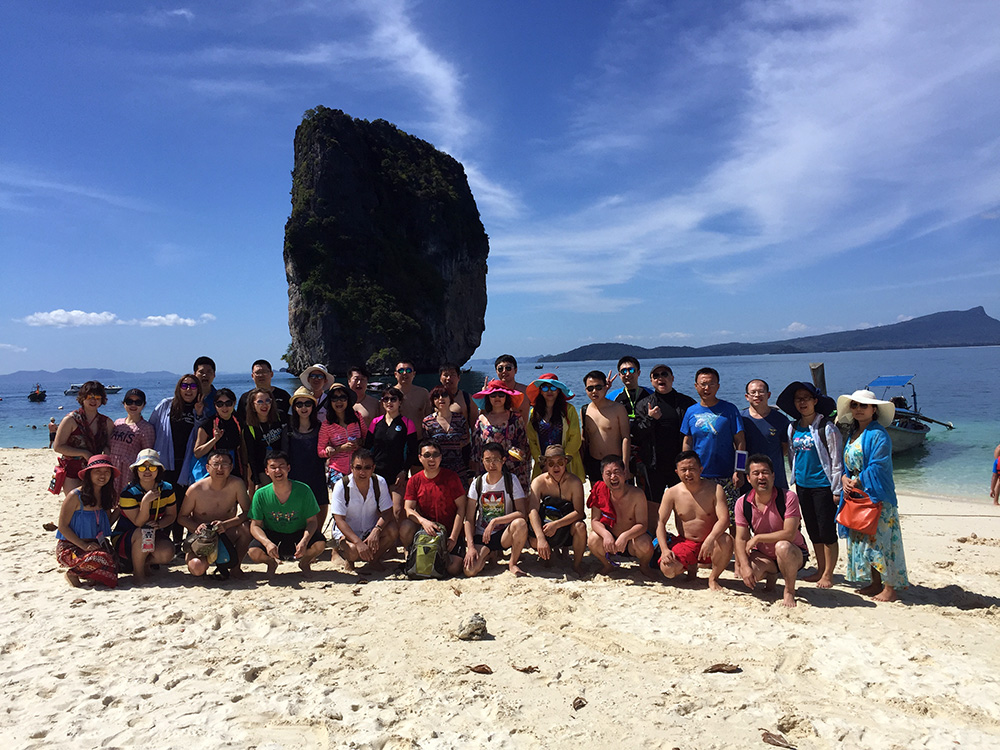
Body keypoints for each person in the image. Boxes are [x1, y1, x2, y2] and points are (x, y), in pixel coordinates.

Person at [836, 389, 909, 602]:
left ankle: (890, 587)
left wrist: (857, 480)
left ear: (873, 409)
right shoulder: (853, 434)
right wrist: (844, 479)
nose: (858, 409)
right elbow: (847, 464)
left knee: (882, 542)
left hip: (877, 496)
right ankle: (875, 583)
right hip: (858, 494)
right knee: (866, 541)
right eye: (855, 405)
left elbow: (879, 465)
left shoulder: (878, 434)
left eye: (863, 406)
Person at [777, 381, 843, 589]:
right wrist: (795, 479)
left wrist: (837, 489)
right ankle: (820, 569)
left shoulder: (827, 428)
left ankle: (829, 574)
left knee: (827, 531)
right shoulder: (793, 428)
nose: (802, 402)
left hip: (823, 486)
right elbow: (793, 456)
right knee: (813, 529)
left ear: (815, 401)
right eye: (798, 399)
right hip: (803, 486)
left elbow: (836, 460)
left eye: (806, 398)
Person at [733, 454, 809, 608]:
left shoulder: (788, 497)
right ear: (748, 478)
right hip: (764, 554)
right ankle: (772, 576)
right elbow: (740, 538)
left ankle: (789, 590)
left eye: (765, 472)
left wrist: (758, 538)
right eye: (756, 473)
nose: (761, 477)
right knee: (749, 573)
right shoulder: (742, 503)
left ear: (773, 476)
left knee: (782, 546)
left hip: (793, 551)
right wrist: (745, 566)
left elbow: (789, 533)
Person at [656, 451, 734, 590]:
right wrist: (664, 550)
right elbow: (660, 522)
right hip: (686, 542)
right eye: (683, 470)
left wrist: (710, 539)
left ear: (700, 469)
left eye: (692, 469)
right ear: (677, 472)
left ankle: (713, 578)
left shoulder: (715, 489)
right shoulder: (672, 493)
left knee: (726, 540)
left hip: (710, 543)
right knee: (667, 569)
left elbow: (724, 519)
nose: (688, 473)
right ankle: (691, 568)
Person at [634, 364, 697, 530]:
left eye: (664, 374)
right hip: (653, 464)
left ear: (672, 378)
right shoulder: (644, 404)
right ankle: (655, 539)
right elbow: (637, 434)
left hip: (680, 463)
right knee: (653, 505)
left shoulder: (686, 403)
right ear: (651, 381)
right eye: (656, 376)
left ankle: (684, 539)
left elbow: (695, 432)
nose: (660, 378)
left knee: (682, 505)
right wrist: (650, 418)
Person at [247, 451, 326, 578]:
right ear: (267, 471)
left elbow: (312, 521)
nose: (278, 470)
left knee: (320, 544)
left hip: (298, 534)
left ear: (288, 468)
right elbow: (255, 525)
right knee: (253, 552)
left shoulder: (304, 490)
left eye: (281, 466)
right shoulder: (260, 494)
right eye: (273, 467)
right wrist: (267, 543)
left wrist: (304, 541)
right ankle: (271, 563)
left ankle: (305, 562)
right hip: (273, 535)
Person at [151, 374, 206, 549]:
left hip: (187, 464)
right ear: (179, 388)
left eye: (193, 386)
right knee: (165, 503)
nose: (188, 389)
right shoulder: (166, 405)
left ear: (198, 389)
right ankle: (162, 541)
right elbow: (152, 428)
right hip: (165, 463)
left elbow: (202, 433)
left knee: (183, 504)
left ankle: (178, 543)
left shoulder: (201, 408)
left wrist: (199, 414)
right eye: (184, 386)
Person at [177, 450, 252, 578]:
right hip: (201, 537)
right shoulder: (196, 489)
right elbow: (181, 518)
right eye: (215, 464)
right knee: (197, 568)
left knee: (247, 527)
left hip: (226, 533)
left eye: (225, 464)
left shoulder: (237, 484)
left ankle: (235, 567)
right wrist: (197, 527)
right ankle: (205, 564)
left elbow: (247, 513)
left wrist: (226, 524)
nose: (220, 468)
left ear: (231, 467)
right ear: (207, 467)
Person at [399, 439, 466, 576]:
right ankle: (409, 553)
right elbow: (408, 509)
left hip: (450, 531)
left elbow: (461, 508)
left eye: (435, 455)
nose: (432, 459)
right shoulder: (414, 480)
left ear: (441, 457)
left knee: (453, 569)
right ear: (420, 458)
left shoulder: (451, 477)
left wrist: (453, 537)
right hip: (426, 532)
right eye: (427, 455)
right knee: (406, 526)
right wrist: (423, 521)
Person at [681, 367, 746, 509]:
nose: (707, 388)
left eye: (711, 384)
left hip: (727, 474)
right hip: (699, 474)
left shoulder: (730, 409)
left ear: (718, 386)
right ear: (696, 386)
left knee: (730, 516)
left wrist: (740, 470)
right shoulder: (691, 411)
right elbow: (687, 441)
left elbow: (740, 441)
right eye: (703, 384)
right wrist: (686, 469)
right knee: (703, 515)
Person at [464, 442, 530, 577]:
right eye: (488, 460)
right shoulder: (477, 483)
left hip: (504, 533)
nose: (492, 464)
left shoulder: (511, 480)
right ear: (482, 461)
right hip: (483, 534)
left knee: (520, 524)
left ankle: (512, 563)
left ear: (503, 460)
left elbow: (521, 513)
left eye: (496, 460)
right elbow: (469, 518)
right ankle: (489, 553)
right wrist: (470, 547)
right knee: (470, 570)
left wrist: (495, 521)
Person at [114, 449, 179, 584]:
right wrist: (145, 502)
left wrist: (159, 525)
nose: (147, 471)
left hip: (153, 532)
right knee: (143, 532)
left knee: (167, 552)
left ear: (158, 470)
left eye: (152, 467)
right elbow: (139, 522)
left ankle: (144, 563)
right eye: (142, 467)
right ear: (136, 470)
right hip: (125, 537)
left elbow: (171, 515)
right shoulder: (129, 492)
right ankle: (138, 575)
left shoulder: (167, 488)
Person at [55, 454, 119, 588]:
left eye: (106, 472)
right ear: (89, 474)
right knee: (100, 559)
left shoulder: (105, 496)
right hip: (71, 546)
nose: (102, 475)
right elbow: (62, 527)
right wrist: (83, 545)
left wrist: (120, 510)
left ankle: (88, 574)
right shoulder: (75, 496)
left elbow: (106, 524)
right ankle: (73, 573)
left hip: (95, 543)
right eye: (97, 471)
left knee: (116, 561)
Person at [330, 449, 398, 569]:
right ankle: (349, 559)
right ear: (351, 468)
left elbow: (387, 512)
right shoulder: (341, 486)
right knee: (353, 551)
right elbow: (339, 519)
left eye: (367, 468)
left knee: (392, 530)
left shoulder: (379, 482)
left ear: (373, 468)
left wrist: (376, 531)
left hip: (370, 529)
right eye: (358, 467)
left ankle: (374, 560)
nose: (362, 472)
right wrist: (357, 542)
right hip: (348, 533)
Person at [587, 455, 654, 575]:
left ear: (624, 473)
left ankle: (644, 566)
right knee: (593, 539)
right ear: (602, 476)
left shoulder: (637, 494)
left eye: (616, 472)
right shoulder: (599, 490)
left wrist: (625, 536)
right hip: (610, 541)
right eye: (608, 474)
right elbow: (595, 521)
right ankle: (607, 565)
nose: (613, 477)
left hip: (631, 541)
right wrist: (606, 534)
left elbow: (642, 524)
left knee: (644, 542)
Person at [527, 445, 587, 573]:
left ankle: (577, 564)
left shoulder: (575, 482)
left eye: (560, 463)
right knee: (533, 540)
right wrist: (540, 537)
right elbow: (532, 511)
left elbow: (579, 512)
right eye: (551, 463)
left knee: (580, 527)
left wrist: (557, 524)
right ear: (545, 464)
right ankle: (548, 554)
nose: (556, 467)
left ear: (565, 462)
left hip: (566, 525)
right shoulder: (538, 482)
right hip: (546, 524)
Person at [52, 381, 115, 497]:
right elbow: (58, 446)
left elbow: (108, 445)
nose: (93, 400)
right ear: (82, 398)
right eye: (89, 397)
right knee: (76, 502)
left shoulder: (107, 422)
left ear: (102, 400)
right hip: (72, 470)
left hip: (97, 470)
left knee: (97, 503)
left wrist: (106, 454)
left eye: (97, 397)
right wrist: (83, 453)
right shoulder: (70, 420)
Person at [364, 386, 418, 521]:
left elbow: (413, 451)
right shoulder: (376, 422)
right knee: (377, 510)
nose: (389, 402)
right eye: (386, 399)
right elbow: (367, 448)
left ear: (400, 402)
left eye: (393, 399)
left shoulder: (407, 423)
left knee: (397, 510)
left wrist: (404, 471)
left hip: (397, 474)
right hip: (377, 473)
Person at [281, 386, 330, 533]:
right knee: (297, 508)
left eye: (307, 403)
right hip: (295, 475)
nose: (304, 408)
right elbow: (284, 455)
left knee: (321, 503)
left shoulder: (321, 427)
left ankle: (317, 534)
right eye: (299, 404)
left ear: (313, 406)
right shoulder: (288, 430)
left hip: (317, 473)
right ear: (294, 408)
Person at [524, 373, 584, 482]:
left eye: (553, 388)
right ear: (540, 391)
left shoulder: (568, 410)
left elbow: (575, 437)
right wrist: (541, 462)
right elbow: (532, 439)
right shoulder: (535, 412)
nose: (549, 391)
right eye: (545, 388)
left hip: (566, 463)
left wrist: (563, 460)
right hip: (543, 466)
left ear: (558, 390)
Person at [473, 380, 531, 489]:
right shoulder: (481, 420)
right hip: (489, 470)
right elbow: (476, 449)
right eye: (493, 395)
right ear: (488, 398)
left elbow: (523, 443)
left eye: (501, 395)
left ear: (506, 397)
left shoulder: (516, 418)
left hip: (514, 469)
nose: (497, 398)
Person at [580, 370, 631, 485]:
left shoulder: (618, 409)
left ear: (605, 387)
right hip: (593, 463)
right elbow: (584, 439)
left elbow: (626, 437)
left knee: (618, 495)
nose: (594, 391)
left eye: (598, 387)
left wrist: (625, 465)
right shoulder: (585, 410)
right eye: (590, 388)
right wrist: (581, 464)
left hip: (615, 463)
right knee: (597, 495)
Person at [741, 379, 790, 490]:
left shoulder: (780, 419)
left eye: (761, 391)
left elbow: (785, 447)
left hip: (775, 476)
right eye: (753, 392)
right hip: (749, 477)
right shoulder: (741, 419)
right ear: (747, 397)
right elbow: (738, 448)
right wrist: (739, 470)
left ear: (768, 395)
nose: (757, 395)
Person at [191, 388, 247, 482]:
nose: (224, 407)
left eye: (228, 403)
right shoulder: (207, 425)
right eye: (220, 404)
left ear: (234, 403)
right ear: (215, 405)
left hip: (234, 469)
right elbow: (197, 453)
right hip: (214, 471)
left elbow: (242, 449)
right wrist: (214, 440)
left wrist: (246, 474)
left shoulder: (239, 422)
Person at [318, 382, 367, 487]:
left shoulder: (357, 418)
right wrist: (338, 449)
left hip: (358, 467)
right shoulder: (327, 424)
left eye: (342, 397)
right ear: (330, 401)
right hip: (337, 470)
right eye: (334, 398)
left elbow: (367, 439)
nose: (339, 401)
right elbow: (320, 452)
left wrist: (359, 442)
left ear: (348, 400)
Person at [107, 388, 156, 495]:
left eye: (137, 402)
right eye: (129, 402)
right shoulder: (118, 423)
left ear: (143, 405)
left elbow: (147, 456)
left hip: (128, 471)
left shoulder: (146, 428)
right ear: (124, 404)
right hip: (112, 468)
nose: (133, 405)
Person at [423, 387, 472, 486]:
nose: (441, 398)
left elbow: (466, 442)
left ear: (450, 398)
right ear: (433, 401)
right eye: (436, 397)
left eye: (444, 395)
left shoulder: (460, 419)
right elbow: (426, 447)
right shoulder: (428, 422)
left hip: (459, 469)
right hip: (437, 469)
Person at [242, 386, 285, 495]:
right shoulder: (249, 427)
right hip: (263, 467)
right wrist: (257, 481)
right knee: (268, 494)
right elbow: (251, 456)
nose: (264, 405)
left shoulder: (280, 417)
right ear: (253, 405)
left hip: (282, 464)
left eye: (268, 401)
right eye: (260, 402)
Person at [394, 360, 432, 436]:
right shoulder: (389, 395)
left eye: (408, 370)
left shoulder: (423, 393)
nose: (405, 373)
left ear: (414, 374)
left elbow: (429, 417)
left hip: (419, 438)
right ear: (395, 374)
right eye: (401, 371)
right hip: (396, 439)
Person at [439, 362, 478, 428]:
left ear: (458, 377)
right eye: (445, 375)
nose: (448, 378)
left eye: (452, 375)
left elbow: (474, 426)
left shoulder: (467, 398)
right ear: (440, 378)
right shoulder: (435, 399)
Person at [493, 354, 531, 423]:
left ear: (515, 370)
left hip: (523, 429)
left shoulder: (526, 391)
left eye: (508, 368)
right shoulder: (492, 394)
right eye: (500, 369)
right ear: (496, 371)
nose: (504, 371)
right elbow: (483, 416)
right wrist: (483, 397)